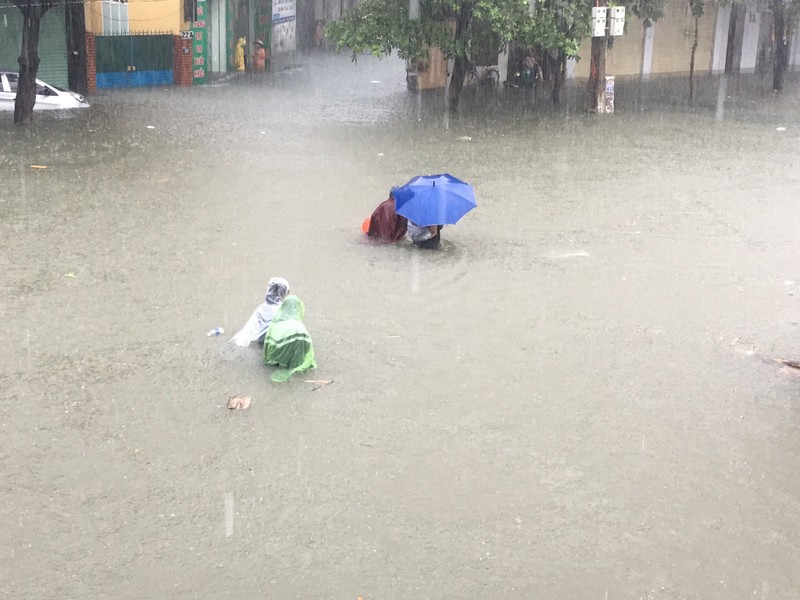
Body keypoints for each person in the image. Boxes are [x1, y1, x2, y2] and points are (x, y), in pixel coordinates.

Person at [263, 295, 317, 382]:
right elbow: (305, 345)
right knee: (300, 340)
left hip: (275, 355)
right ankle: (292, 363)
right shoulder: (298, 326)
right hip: (290, 357)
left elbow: (267, 343)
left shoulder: (275, 322)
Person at [230, 277, 290, 347]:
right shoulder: (281, 310)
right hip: (271, 345)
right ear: (283, 292)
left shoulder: (261, 308)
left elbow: (251, 327)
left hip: (258, 342)